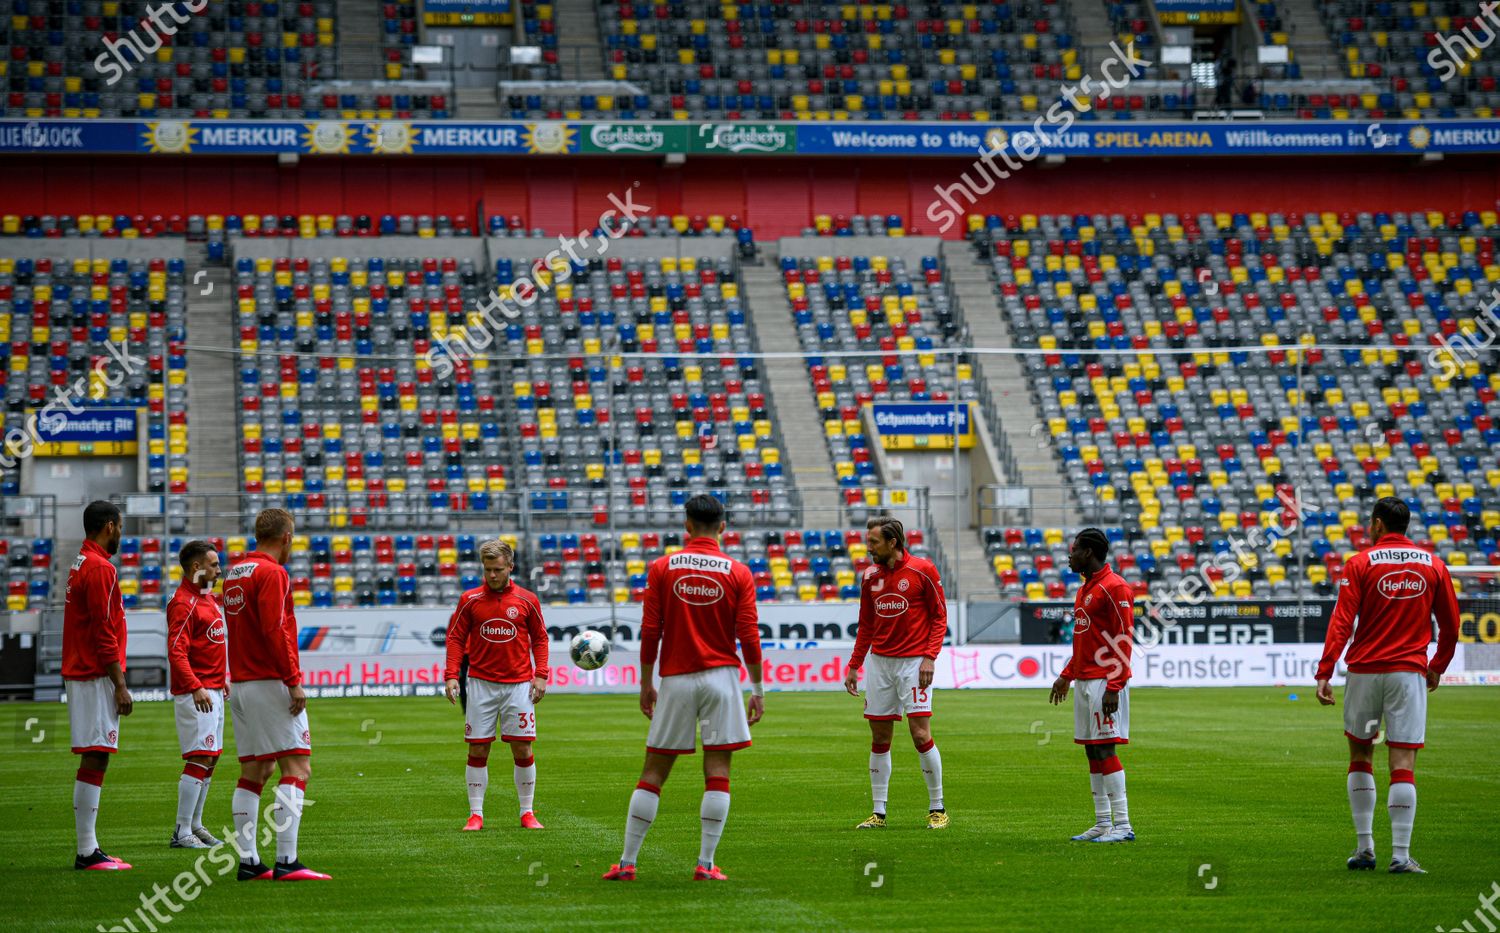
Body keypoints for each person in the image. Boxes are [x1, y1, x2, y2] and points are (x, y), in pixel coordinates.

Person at [603, 494, 764, 882]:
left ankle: (627, 863)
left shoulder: (662, 567)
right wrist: (758, 688)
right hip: (722, 679)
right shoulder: (738, 571)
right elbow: (749, 635)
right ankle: (706, 864)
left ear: (687, 526)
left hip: (675, 678)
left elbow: (650, 631)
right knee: (718, 769)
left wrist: (645, 682)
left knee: (654, 770)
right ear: (722, 527)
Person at [1316, 497, 1459, 874]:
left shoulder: (1359, 564)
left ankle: (1365, 848)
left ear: (1378, 524)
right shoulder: (1434, 565)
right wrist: (1437, 667)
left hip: (1364, 672)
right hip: (1407, 673)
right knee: (1402, 762)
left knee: (1361, 755)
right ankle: (1400, 854)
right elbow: (1451, 625)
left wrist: (1325, 671)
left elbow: (1342, 622)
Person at [223, 508, 329, 881]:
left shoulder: (235, 572)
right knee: (297, 767)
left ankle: (249, 861)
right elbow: (274, 630)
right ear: (286, 537)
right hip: (269, 681)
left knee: (255, 769)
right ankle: (287, 861)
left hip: (241, 683)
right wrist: (293, 679)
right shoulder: (273, 573)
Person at [843, 515, 949, 830]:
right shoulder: (869, 576)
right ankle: (879, 813)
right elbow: (867, 624)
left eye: (873, 542)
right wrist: (854, 664)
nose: (868, 548)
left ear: (893, 542)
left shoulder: (923, 570)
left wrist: (929, 657)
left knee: (920, 734)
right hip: (880, 664)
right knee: (879, 737)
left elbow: (939, 616)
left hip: (914, 663)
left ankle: (937, 808)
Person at [444, 539, 549, 831]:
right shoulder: (470, 599)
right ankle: (475, 814)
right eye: (488, 569)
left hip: (518, 686)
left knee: (523, 749)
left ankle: (527, 812)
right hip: (480, 684)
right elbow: (454, 638)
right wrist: (451, 675)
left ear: (510, 567)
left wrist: (541, 674)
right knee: (478, 751)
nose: (492, 575)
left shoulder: (527, 600)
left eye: (498, 569)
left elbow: (540, 638)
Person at [1048, 528, 1136, 843]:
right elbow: (1085, 641)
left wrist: (1115, 685)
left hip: (1104, 681)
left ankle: (1123, 825)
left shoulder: (1116, 587)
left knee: (1106, 747)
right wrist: (1066, 675)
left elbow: (1124, 639)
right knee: (1091, 749)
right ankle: (1102, 822)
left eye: (1073, 551)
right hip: (1085, 680)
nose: (1069, 556)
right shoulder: (1086, 588)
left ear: (1088, 553)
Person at [64, 500, 133, 870]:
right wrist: (119, 684)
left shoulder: (81, 562)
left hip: (85, 670)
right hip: (94, 673)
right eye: (120, 526)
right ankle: (87, 851)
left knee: (97, 752)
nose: (121, 533)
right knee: (96, 753)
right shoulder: (100, 568)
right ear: (109, 526)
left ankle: (89, 848)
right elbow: (104, 630)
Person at [166, 540, 229, 849]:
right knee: (199, 756)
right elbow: (176, 653)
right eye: (214, 565)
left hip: (213, 689)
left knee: (212, 758)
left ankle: (196, 824)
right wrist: (196, 686)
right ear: (196, 567)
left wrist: (222, 679)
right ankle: (181, 831)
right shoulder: (183, 603)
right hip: (197, 694)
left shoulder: (207, 599)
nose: (219, 570)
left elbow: (211, 645)